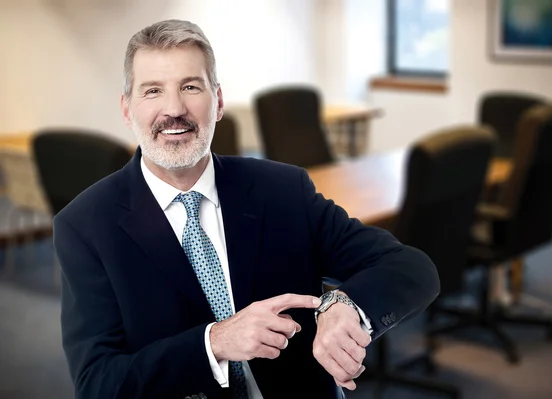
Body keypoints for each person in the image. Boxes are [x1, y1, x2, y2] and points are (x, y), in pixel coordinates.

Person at [55, 19, 440, 399]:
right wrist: (215, 343)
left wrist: (348, 307)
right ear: (127, 109)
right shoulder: (86, 226)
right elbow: (97, 384)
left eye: (191, 86)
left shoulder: (282, 190)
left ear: (218, 101)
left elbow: (412, 268)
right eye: (153, 91)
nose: (174, 108)